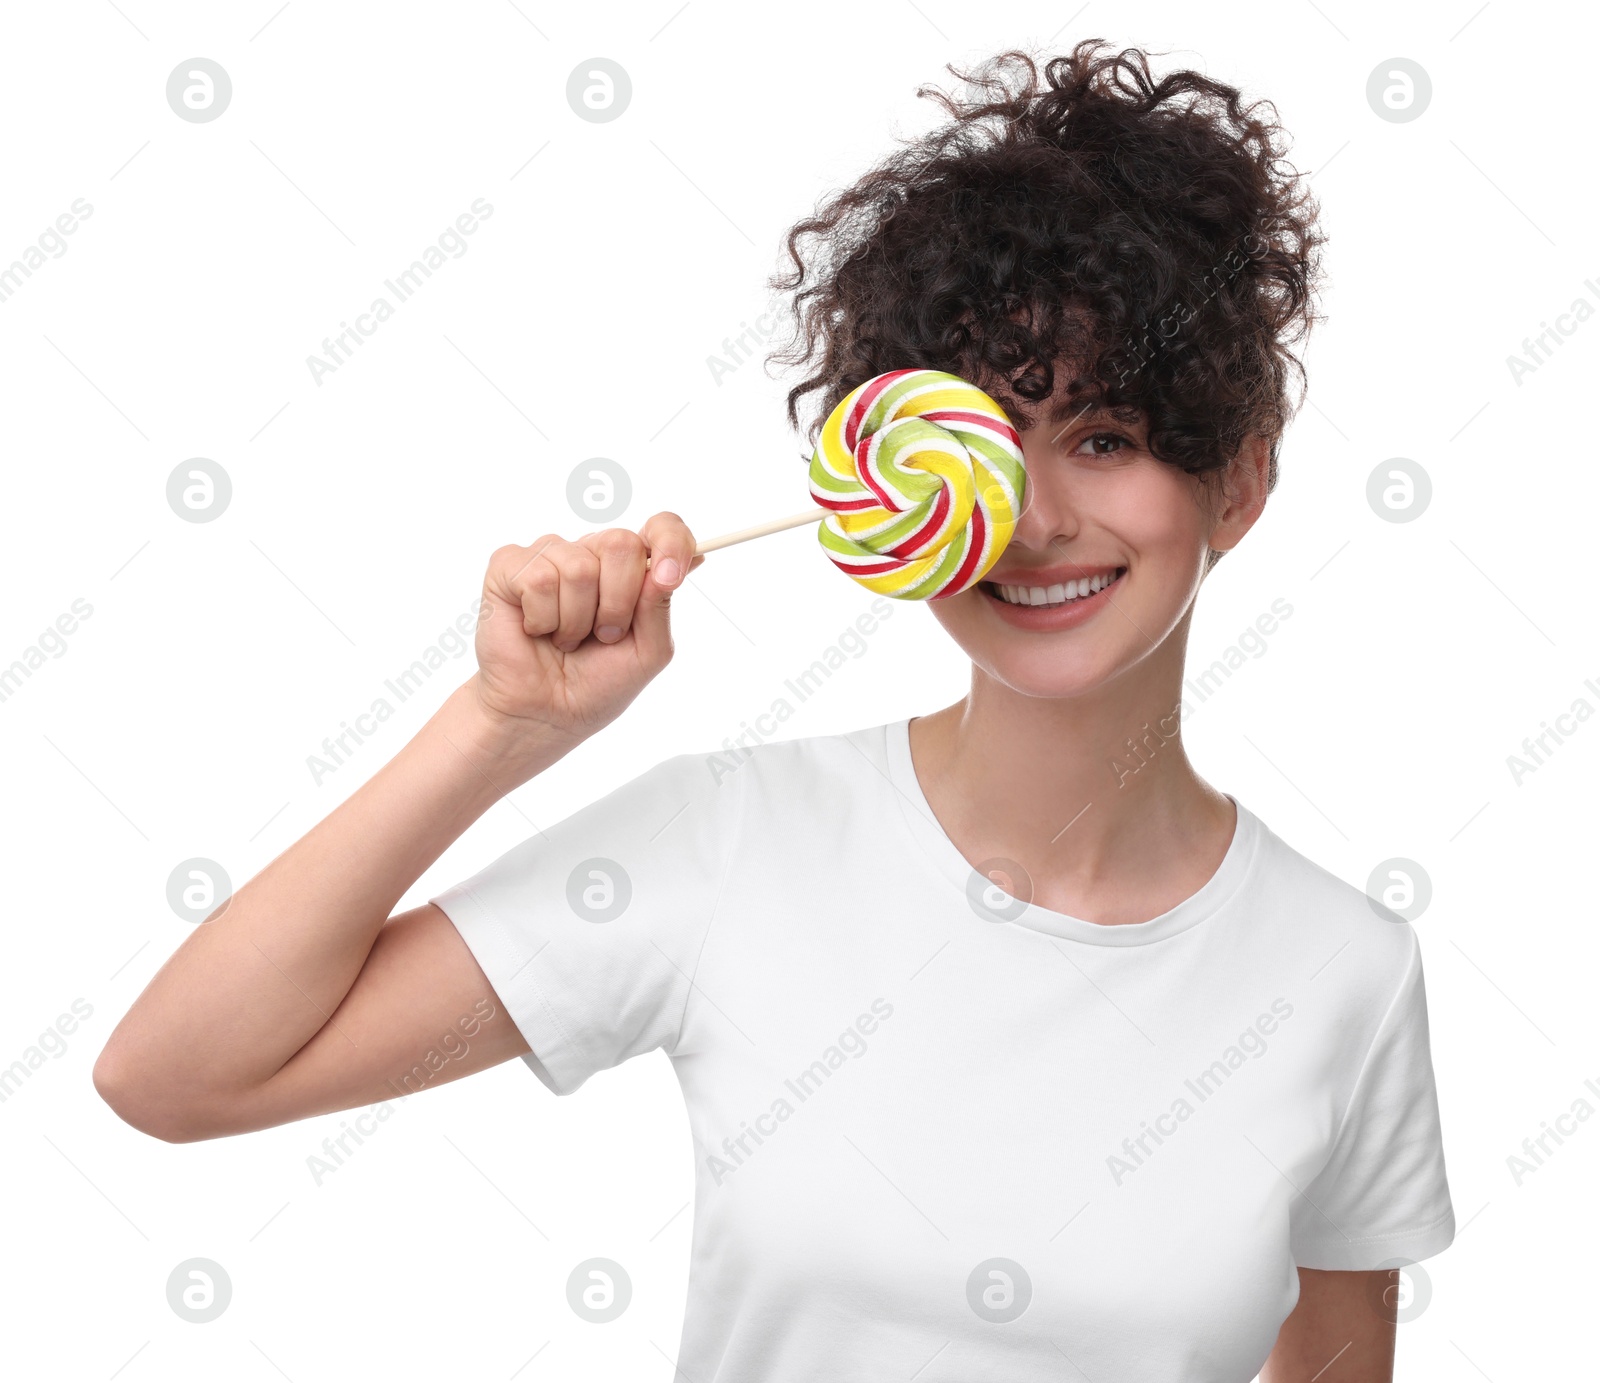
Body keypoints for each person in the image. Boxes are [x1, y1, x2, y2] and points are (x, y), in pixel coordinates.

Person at [94, 39, 1455, 1382]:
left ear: (1239, 483)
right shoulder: (731, 845)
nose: (1032, 520)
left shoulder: (1343, 973)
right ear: (886, 479)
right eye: (974, 437)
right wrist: (504, 729)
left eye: (1105, 439)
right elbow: (178, 1076)